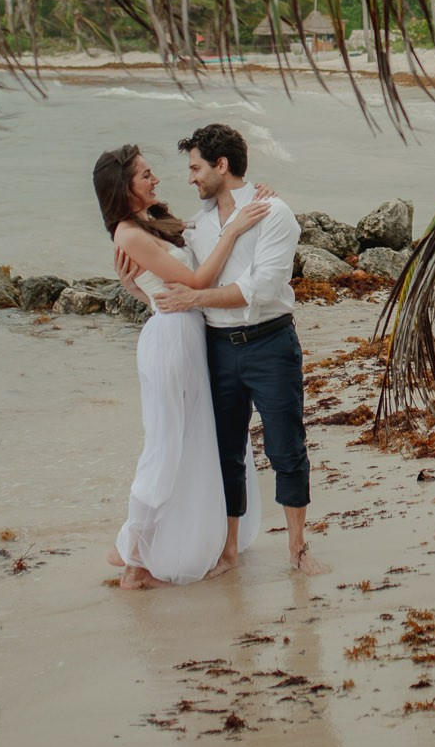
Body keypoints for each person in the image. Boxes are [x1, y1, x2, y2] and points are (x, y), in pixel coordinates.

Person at [131, 123, 328, 578]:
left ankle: (298, 550)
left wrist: (196, 299)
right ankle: (228, 551)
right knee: (224, 452)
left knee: (286, 447)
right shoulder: (195, 227)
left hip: (270, 342)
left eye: (196, 167)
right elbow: (176, 281)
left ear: (222, 166)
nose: (190, 178)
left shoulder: (275, 212)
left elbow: (261, 286)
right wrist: (134, 286)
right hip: (216, 349)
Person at [92, 144, 265, 589]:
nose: (156, 180)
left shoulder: (151, 222)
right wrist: (235, 230)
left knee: (191, 439)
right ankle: (133, 557)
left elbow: (165, 288)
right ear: (123, 186)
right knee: (166, 445)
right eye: (146, 175)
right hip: (170, 342)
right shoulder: (128, 234)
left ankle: (146, 554)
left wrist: (243, 205)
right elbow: (195, 282)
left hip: (188, 335)